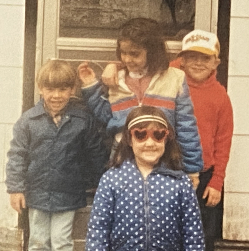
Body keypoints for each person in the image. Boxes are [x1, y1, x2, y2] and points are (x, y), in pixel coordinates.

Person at [78, 18, 203, 188]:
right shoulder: (116, 80)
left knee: (159, 208)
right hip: (123, 157)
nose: (127, 59)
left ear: (152, 52)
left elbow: (186, 126)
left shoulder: (175, 78)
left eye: (134, 54)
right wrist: (91, 86)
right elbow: (108, 117)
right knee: (127, 208)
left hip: (163, 156)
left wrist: (192, 169)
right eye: (124, 53)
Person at [5, 59, 108, 251]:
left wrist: (98, 182)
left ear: (72, 90)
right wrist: (15, 188)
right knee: (38, 242)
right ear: (40, 89)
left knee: (61, 242)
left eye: (62, 90)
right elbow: (17, 155)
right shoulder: (28, 121)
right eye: (50, 89)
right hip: (36, 192)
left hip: (68, 193)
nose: (56, 96)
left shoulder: (82, 121)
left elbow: (95, 153)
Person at [85, 105, 205, 251]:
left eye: (158, 135)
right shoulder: (111, 180)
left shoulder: (180, 182)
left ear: (166, 139)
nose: (150, 143)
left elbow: (193, 233)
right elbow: (99, 230)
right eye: (140, 135)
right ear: (129, 139)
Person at [169, 29, 233, 251]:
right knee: (167, 232)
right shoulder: (168, 80)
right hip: (169, 169)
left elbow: (224, 141)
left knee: (202, 235)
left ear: (216, 62)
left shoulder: (220, 96)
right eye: (192, 57)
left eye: (205, 58)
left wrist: (217, 182)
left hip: (204, 176)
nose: (198, 63)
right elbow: (136, 67)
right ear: (181, 60)